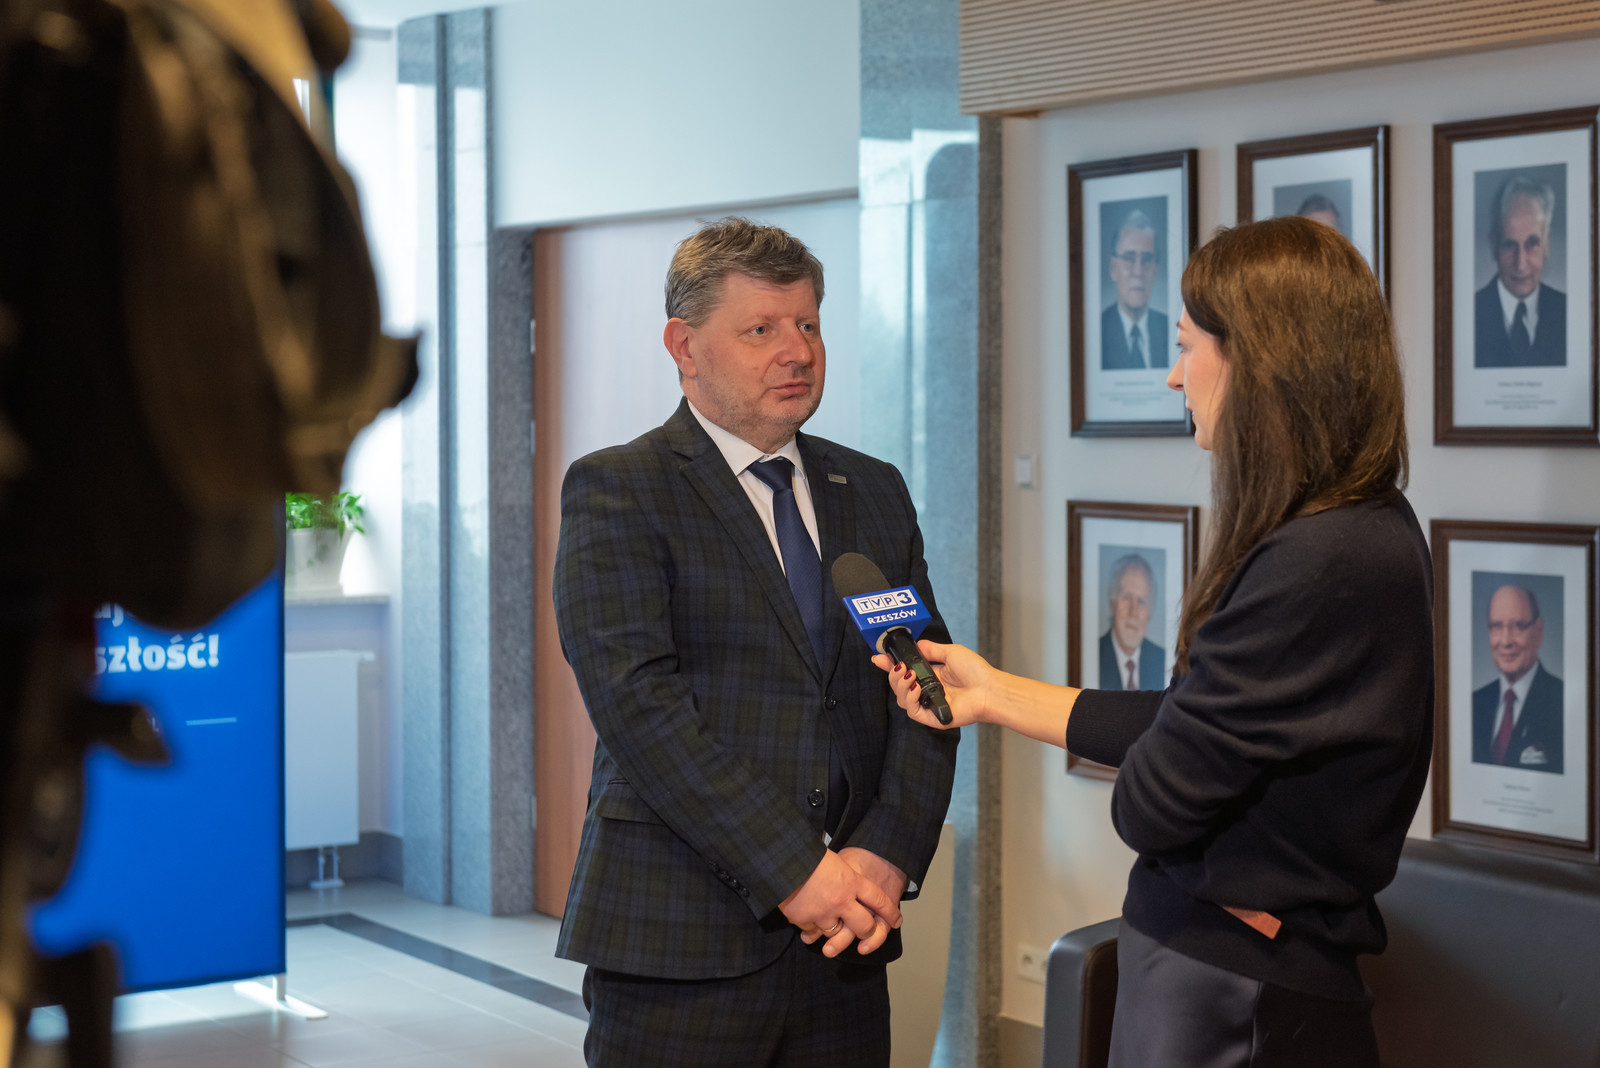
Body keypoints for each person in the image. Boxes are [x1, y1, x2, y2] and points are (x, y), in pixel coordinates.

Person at [881, 216, 1433, 1067]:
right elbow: (1193, 717)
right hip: (1243, 969)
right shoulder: (1368, 525)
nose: (1176, 376)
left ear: (1258, 359)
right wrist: (993, 693)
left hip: (1229, 991)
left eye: (1186, 347)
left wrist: (1167, 780)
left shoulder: (1314, 560)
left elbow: (1148, 805)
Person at [552, 217, 958, 1068]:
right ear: (685, 346)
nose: (797, 351)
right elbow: (643, 712)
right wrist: (798, 874)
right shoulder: (621, 490)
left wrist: (886, 853)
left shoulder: (872, 489)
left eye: (808, 324)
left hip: (846, 941)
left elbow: (928, 684)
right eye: (761, 330)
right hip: (682, 945)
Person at [1474, 175, 1566, 367]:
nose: (1521, 264)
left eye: (1532, 244)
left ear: (1546, 243)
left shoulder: (1567, 311)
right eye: (1509, 245)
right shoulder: (1470, 313)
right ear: (1494, 245)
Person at [1471, 584, 1564, 773]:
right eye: (1496, 626)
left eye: (1519, 626)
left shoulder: (1561, 699)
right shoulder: (1475, 702)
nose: (1506, 641)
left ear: (1538, 631)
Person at [1101, 209, 1169, 370]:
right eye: (1128, 258)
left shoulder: (1169, 329)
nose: (1138, 271)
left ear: (1155, 270)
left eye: (1147, 259)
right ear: (1113, 268)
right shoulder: (1098, 330)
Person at [1097, 554, 1166, 690]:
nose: (1133, 612)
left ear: (1150, 612)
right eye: (1126, 597)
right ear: (1112, 603)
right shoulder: (1094, 654)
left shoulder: (1162, 659)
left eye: (1141, 601)